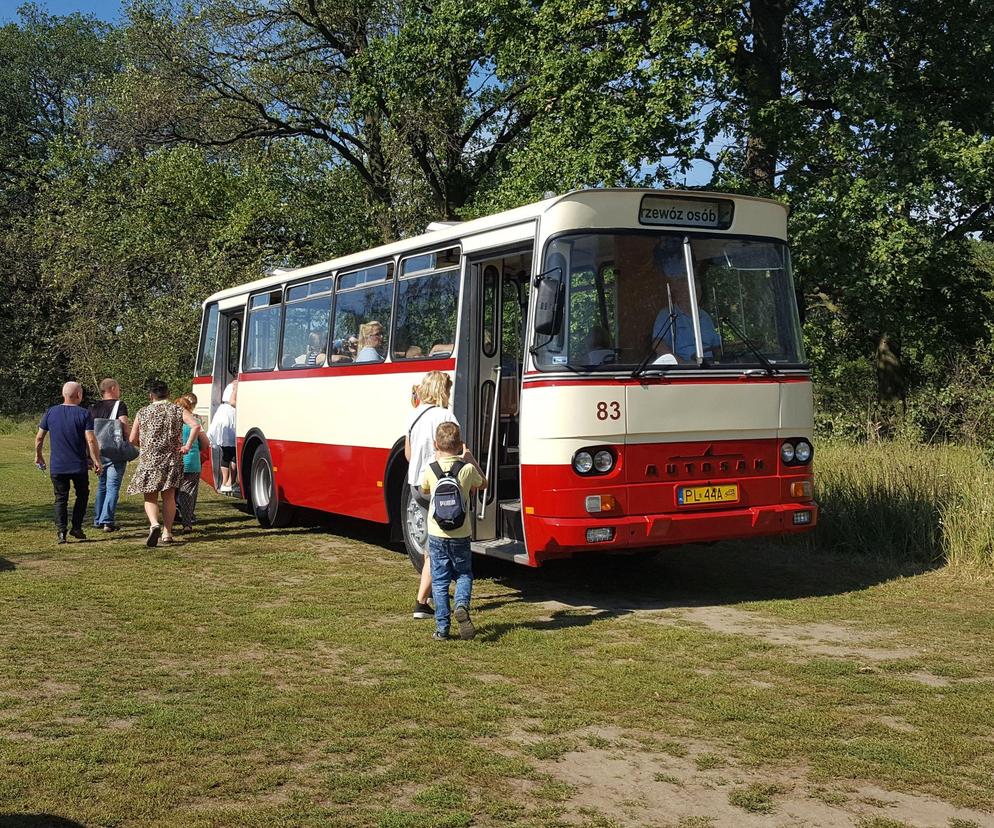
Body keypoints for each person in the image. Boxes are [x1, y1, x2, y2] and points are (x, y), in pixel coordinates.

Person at [420, 421, 487, 641]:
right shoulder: (466, 469)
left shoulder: (431, 469)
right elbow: (484, 483)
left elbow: (424, 489)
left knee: (440, 581)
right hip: (461, 533)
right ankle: (461, 605)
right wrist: (468, 458)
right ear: (460, 445)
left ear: (436, 445)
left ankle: (442, 629)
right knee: (464, 573)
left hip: (437, 533)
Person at [405, 371, 458, 620]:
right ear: (442, 389)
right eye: (448, 388)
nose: (449, 393)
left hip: (417, 484)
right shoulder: (445, 415)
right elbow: (457, 449)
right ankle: (421, 602)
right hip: (438, 485)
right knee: (436, 547)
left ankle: (433, 593)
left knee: (431, 544)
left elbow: (408, 454)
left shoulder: (414, 415)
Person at [34, 381, 102, 544]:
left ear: (63, 394)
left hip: (58, 465)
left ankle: (61, 532)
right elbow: (91, 440)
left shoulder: (51, 412)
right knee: (82, 494)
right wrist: (96, 460)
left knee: (60, 498)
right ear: (78, 395)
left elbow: (39, 437)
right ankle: (76, 527)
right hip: (78, 465)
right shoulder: (84, 414)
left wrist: (38, 455)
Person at [127, 380, 185, 547]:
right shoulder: (177, 410)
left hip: (149, 460)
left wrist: (144, 445)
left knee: (150, 496)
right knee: (169, 497)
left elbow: (132, 439)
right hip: (171, 459)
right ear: (168, 394)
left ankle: (154, 524)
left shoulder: (142, 412)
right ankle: (168, 532)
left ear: (150, 395)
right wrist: (186, 445)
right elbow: (195, 425)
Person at [650, 239, 722, 363]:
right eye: (688, 286)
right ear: (678, 290)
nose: (695, 290)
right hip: (681, 373)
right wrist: (683, 366)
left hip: (708, 369)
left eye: (697, 285)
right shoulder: (668, 314)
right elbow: (658, 345)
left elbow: (717, 347)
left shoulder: (705, 317)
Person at [89, 378, 132, 532]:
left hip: (98, 451)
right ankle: (107, 520)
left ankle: (97, 519)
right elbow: (124, 426)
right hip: (114, 451)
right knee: (112, 486)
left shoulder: (93, 407)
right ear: (112, 388)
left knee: (102, 486)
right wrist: (131, 442)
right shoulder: (119, 405)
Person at [175, 392, 206, 532]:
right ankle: (187, 522)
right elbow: (206, 443)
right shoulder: (195, 422)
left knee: (172, 492)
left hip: (174, 460)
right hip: (192, 461)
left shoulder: (172, 422)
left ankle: (172, 515)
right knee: (189, 492)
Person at [208, 381, 238, 493]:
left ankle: (224, 483)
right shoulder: (237, 385)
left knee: (226, 452)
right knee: (233, 451)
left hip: (222, 414)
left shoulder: (230, 384)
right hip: (230, 416)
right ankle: (231, 482)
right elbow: (233, 402)